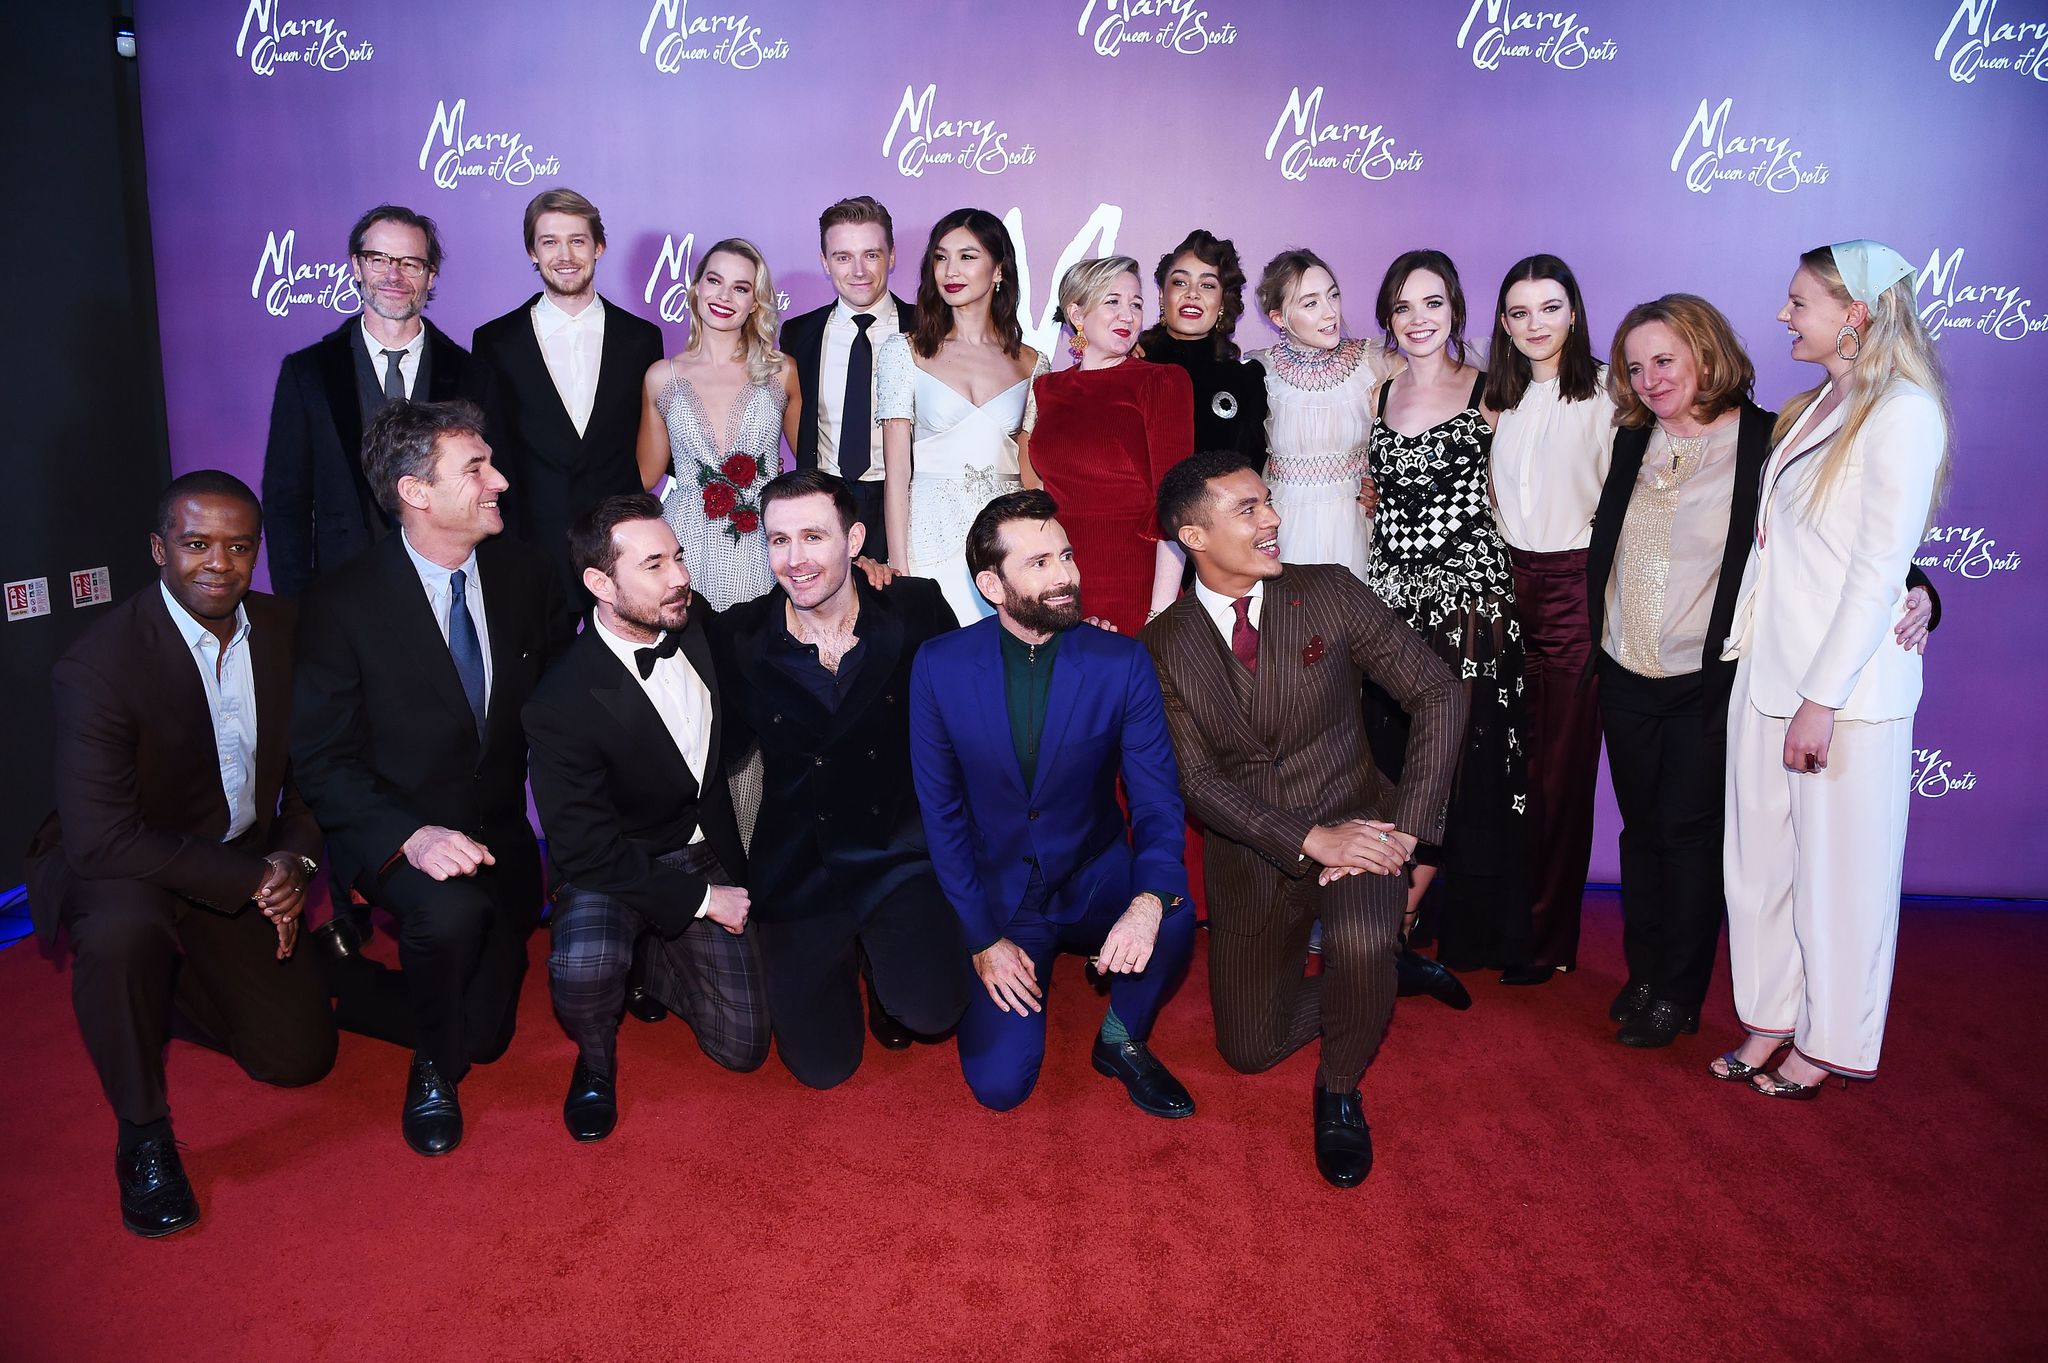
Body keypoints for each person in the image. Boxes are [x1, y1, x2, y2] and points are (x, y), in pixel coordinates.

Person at [1590, 293, 1942, 1048]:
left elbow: (1841, 531)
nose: (1649, 378)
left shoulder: (1766, 435)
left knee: (1688, 838)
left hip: (1705, 680)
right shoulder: (1629, 438)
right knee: (1640, 833)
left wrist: (1920, 588)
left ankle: (1677, 996)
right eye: (1635, 366)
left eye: (1664, 361)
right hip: (1623, 670)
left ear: (1705, 356)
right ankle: (1644, 973)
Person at [24, 472, 336, 1237]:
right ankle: (142, 1133)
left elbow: (321, 770)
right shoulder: (99, 663)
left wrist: (293, 861)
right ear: (159, 549)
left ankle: (160, 990)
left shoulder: (287, 629)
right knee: (122, 934)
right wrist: (253, 878)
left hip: (236, 851)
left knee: (298, 1057)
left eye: (238, 546)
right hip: (125, 865)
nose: (218, 564)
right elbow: (102, 835)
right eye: (197, 544)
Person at [1142, 452, 1464, 1186]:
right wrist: (1309, 840)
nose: (1274, 519)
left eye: (1269, 502)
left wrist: (1405, 833)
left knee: (1355, 937)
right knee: (1248, 1048)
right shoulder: (1161, 647)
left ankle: (1341, 1089)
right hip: (1254, 858)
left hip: (1364, 827)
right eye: (1248, 509)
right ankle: (1382, 974)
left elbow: (1438, 692)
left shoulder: (1327, 591)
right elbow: (1195, 780)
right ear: (1193, 536)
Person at [292, 399, 573, 1156]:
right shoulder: (340, 603)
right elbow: (321, 761)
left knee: (487, 1034)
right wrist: (409, 837)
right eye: (476, 468)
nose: (501, 482)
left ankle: (344, 984)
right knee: (446, 933)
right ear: (415, 492)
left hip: (504, 846)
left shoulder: (527, 572)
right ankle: (429, 1069)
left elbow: (560, 698)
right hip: (401, 834)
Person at [1717, 242, 1952, 1097]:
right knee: (1761, 868)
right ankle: (1771, 1017)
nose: (1785, 315)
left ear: (1853, 314)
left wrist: (1822, 699)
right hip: (1770, 673)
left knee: (1841, 877)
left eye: (1800, 301)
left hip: (1843, 696)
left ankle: (1832, 1041)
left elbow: (1876, 570)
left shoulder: (1903, 412)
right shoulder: (1815, 404)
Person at [911, 489, 1196, 1115]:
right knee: (1000, 1087)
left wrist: (1146, 902)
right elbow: (942, 816)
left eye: (1065, 555)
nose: (1066, 574)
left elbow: (1155, 800)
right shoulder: (940, 666)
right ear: (992, 583)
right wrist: (983, 939)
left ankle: (1121, 1038)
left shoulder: (1121, 662)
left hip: (1095, 875)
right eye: (1039, 563)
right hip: (1003, 898)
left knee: (1173, 909)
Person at [709, 470, 969, 1088]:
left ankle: (886, 969)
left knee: (935, 1010)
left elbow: (973, 705)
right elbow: (706, 745)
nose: (794, 561)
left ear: (854, 540)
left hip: (897, 852)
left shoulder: (916, 607)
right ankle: (845, 954)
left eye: (813, 538)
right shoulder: (737, 636)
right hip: (801, 864)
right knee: (823, 1068)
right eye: (778, 541)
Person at [523, 496, 766, 1141]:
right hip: (617, 864)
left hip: (707, 846)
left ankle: (651, 962)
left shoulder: (697, 624)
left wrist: (867, 574)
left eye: (678, 557)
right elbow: (584, 853)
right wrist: (700, 900)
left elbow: (773, 623)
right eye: (654, 565)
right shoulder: (561, 702)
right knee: (585, 965)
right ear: (600, 584)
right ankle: (595, 1060)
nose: (680, 577)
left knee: (743, 1048)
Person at [1366, 248, 1535, 984]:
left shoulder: (1490, 392)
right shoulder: (1379, 394)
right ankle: (1389, 918)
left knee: (1457, 767)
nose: (1417, 320)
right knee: (1395, 764)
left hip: (1469, 610)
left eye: (1431, 303)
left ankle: (1404, 918)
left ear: (1457, 312)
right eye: (1403, 306)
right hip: (1390, 608)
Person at [1482, 255, 1615, 977]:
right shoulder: (1496, 398)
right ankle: (1505, 918)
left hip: (1574, 591)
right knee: (1507, 767)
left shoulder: (1607, 393)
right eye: (1519, 311)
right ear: (1503, 322)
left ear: (1575, 311)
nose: (1536, 324)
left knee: (1560, 772)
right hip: (1506, 591)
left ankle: (1544, 939)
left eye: (1550, 307)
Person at [261, 204, 490, 598]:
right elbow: (286, 504)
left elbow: (487, 491)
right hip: (343, 589)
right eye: (379, 259)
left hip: (449, 588)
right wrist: (297, 607)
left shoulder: (472, 374)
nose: (393, 275)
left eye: (410, 263)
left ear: (431, 275)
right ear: (356, 266)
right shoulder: (308, 374)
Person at [471, 188, 666, 611]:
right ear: (531, 252)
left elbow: (651, 440)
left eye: (577, 240)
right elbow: (490, 443)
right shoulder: (495, 341)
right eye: (550, 242)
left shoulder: (641, 338)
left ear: (599, 246)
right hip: (530, 540)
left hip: (622, 541)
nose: (565, 255)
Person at [876, 208, 1048, 623]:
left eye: (967, 256)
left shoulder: (1032, 364)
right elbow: (896, 473)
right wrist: (901, 568)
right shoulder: (905, 352)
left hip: (1005, 539)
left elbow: (1032, 476)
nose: (949, 270)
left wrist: (1041, 553)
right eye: (940, 257)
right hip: (929, 538)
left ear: (999, 270)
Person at [1023, 256, 1194, 633]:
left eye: (1136, 304)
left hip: (1136, 578)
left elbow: (1176, 502)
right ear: (1076, 313)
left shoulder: (1162, 381)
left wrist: (1160, 613)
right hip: (1062, 579)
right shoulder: (1048, 389)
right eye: (1112, 301)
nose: (1128, 315)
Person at [636, 237, 795, 611]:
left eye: (740, 288)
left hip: (764, 539)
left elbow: (812, 461)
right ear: (695, 287)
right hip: (684, 541)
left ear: (755, 303)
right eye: (714, 281)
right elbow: (645, 475)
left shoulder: (782, 371)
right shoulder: (662, 377)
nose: (724, 296)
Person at [1250, 249, 1400, 580]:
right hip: (1284, 530)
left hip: (1357, 525)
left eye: (1333, 295)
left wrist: (1385, 484)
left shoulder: (1376, 361)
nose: (1330, 312)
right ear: (1278, 318)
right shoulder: (1258, 371)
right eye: (1311, 303)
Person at [781, 196, 912, 560]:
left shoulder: (928, 330)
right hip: (824, 502)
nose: (859, 271)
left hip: (906, 501)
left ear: (892, 255)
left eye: (871, 254)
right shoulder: (798, 333)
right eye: (843, 257)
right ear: (825, 262)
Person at [1137, 230, 1269, 472]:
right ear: (1161, 295)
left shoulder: (1247, 380)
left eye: (1207, 285)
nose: (1192, 293)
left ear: (1221, 302)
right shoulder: (1132, 369)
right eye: (1180, 282)